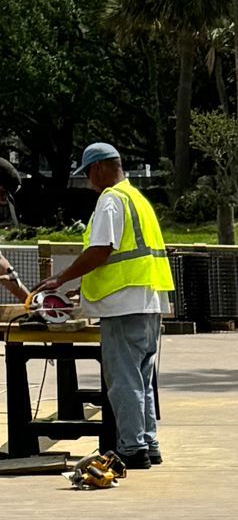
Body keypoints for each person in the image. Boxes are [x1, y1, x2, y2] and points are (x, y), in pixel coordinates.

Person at [43, 144, 174, 469]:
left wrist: (60, 279)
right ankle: (148, 443)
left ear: (100, 167)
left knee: (124, 380)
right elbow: (120, 258)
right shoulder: (138, 200)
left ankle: (132, 449)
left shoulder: (111, 200)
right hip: (150, 298)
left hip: (123, 305)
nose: (88, 181)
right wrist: (82, 292)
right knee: (141, 378)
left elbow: (100, 250)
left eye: (88, 173)